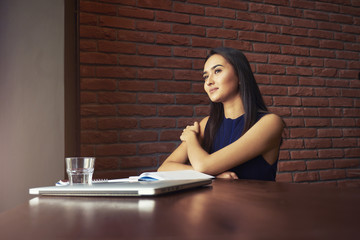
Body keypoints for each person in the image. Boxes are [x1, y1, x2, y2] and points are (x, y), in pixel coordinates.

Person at [158, 47, 284, 181]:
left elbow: (203, 166)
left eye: (217, 71)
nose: (208, 81)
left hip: (256, 202)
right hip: (212, 202)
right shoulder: (207, 124)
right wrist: (214, 175)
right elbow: (164, 168)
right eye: (206, 76)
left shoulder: (270, 123)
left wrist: (190, 139)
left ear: (240, 76)